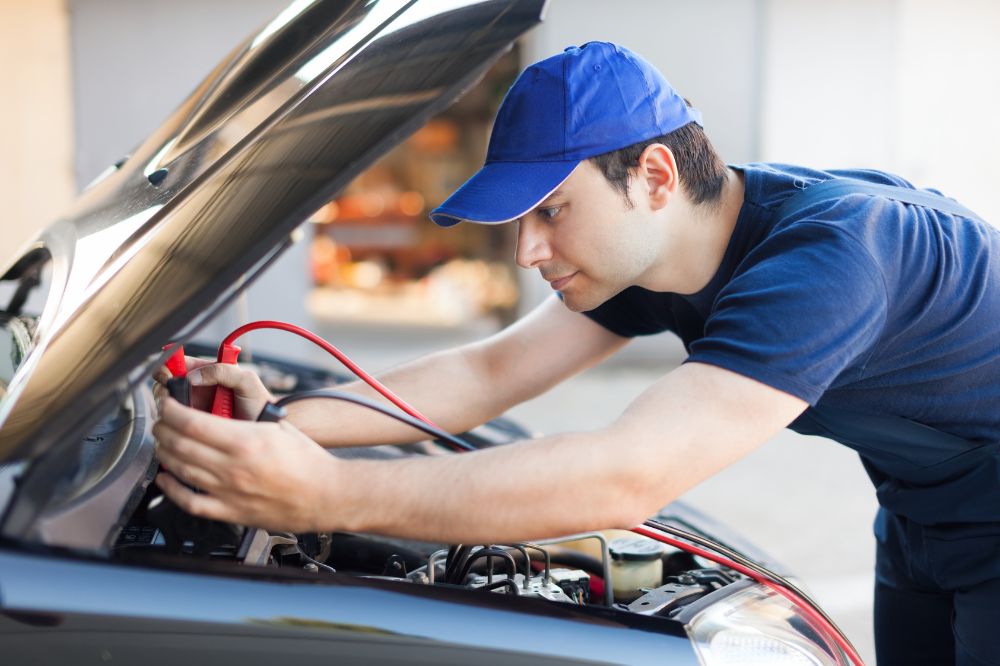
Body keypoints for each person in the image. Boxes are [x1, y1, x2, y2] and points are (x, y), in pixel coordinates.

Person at [153, 42, 1000, 664]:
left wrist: (327, 494)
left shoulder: (832, 258)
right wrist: (281, 422)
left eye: (551, 211)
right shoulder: (667, 246)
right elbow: (486, 372)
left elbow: (624, 475)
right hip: (923, 518)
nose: (526, 251)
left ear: (656, 177)